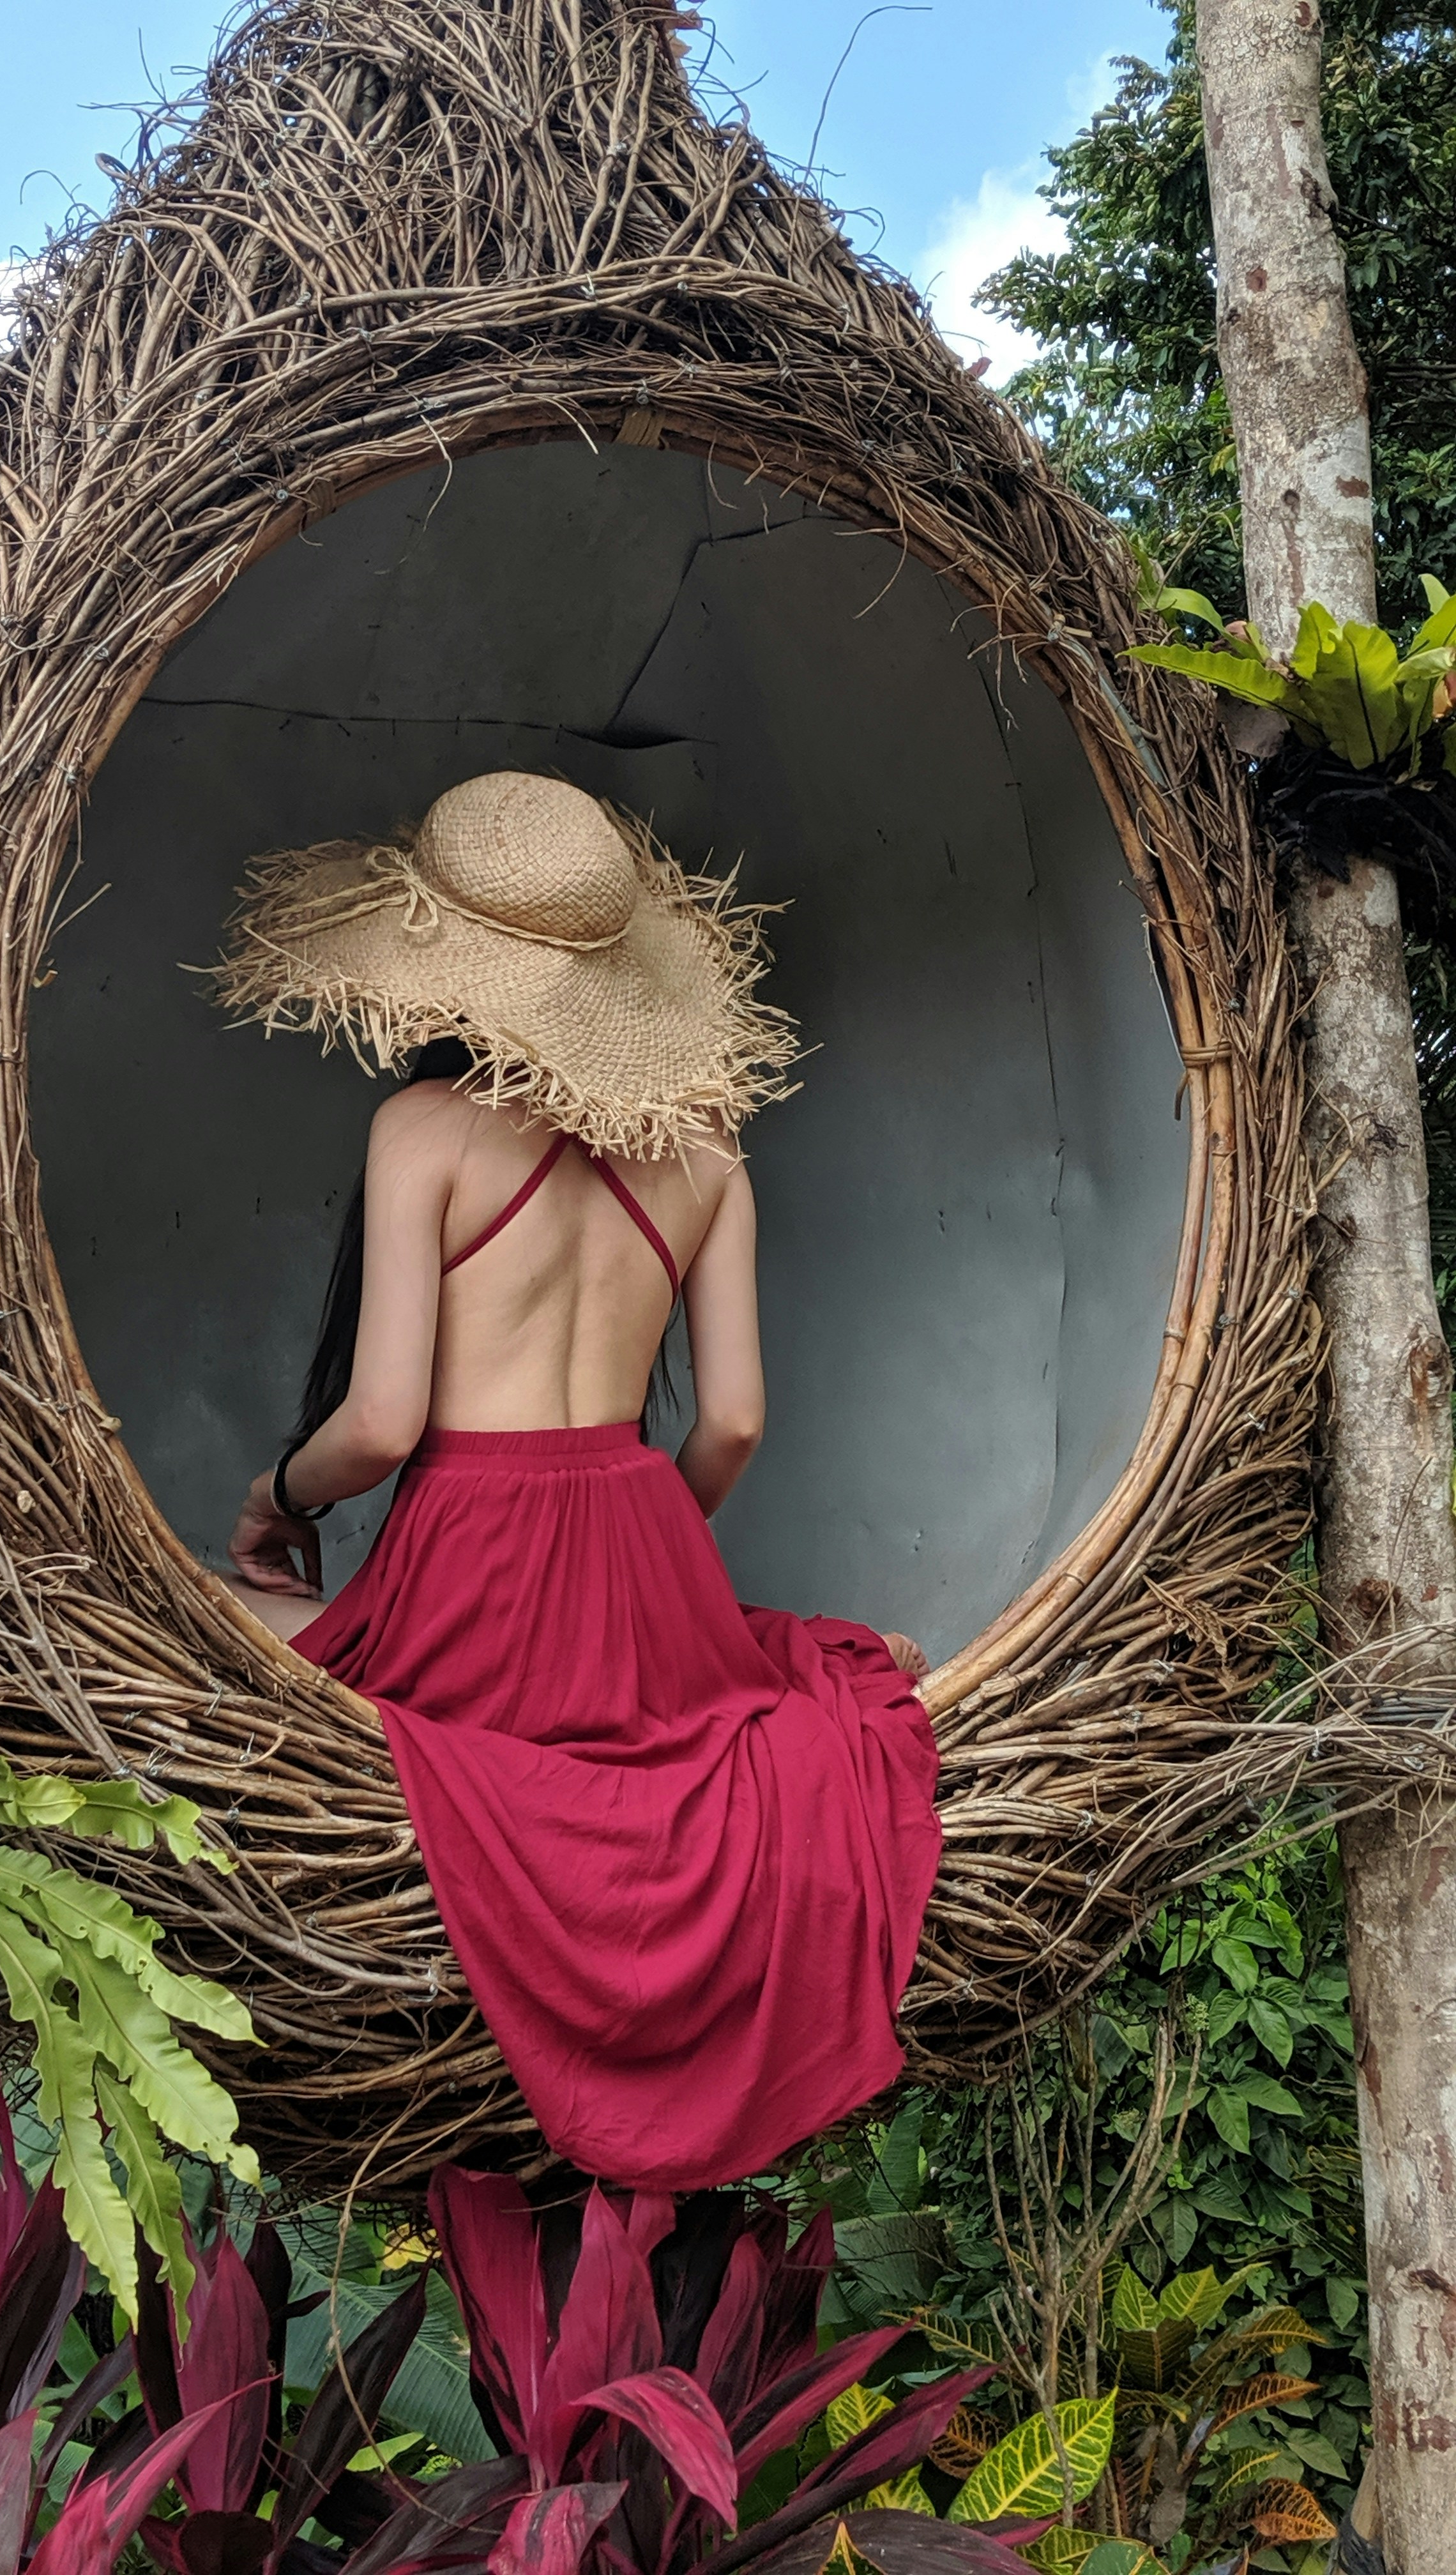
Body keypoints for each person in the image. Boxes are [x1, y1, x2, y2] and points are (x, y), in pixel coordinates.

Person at [210, 771, 941, 2191]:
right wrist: (646, 1549)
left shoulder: (421, 1133)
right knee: (742, 1690)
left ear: (435, 958)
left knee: (211, 1614)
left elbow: (379, 1422)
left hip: (471, 1555)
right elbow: (729, 1423)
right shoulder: (712, 1154)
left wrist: (278, 1500)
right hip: (651, 1544)